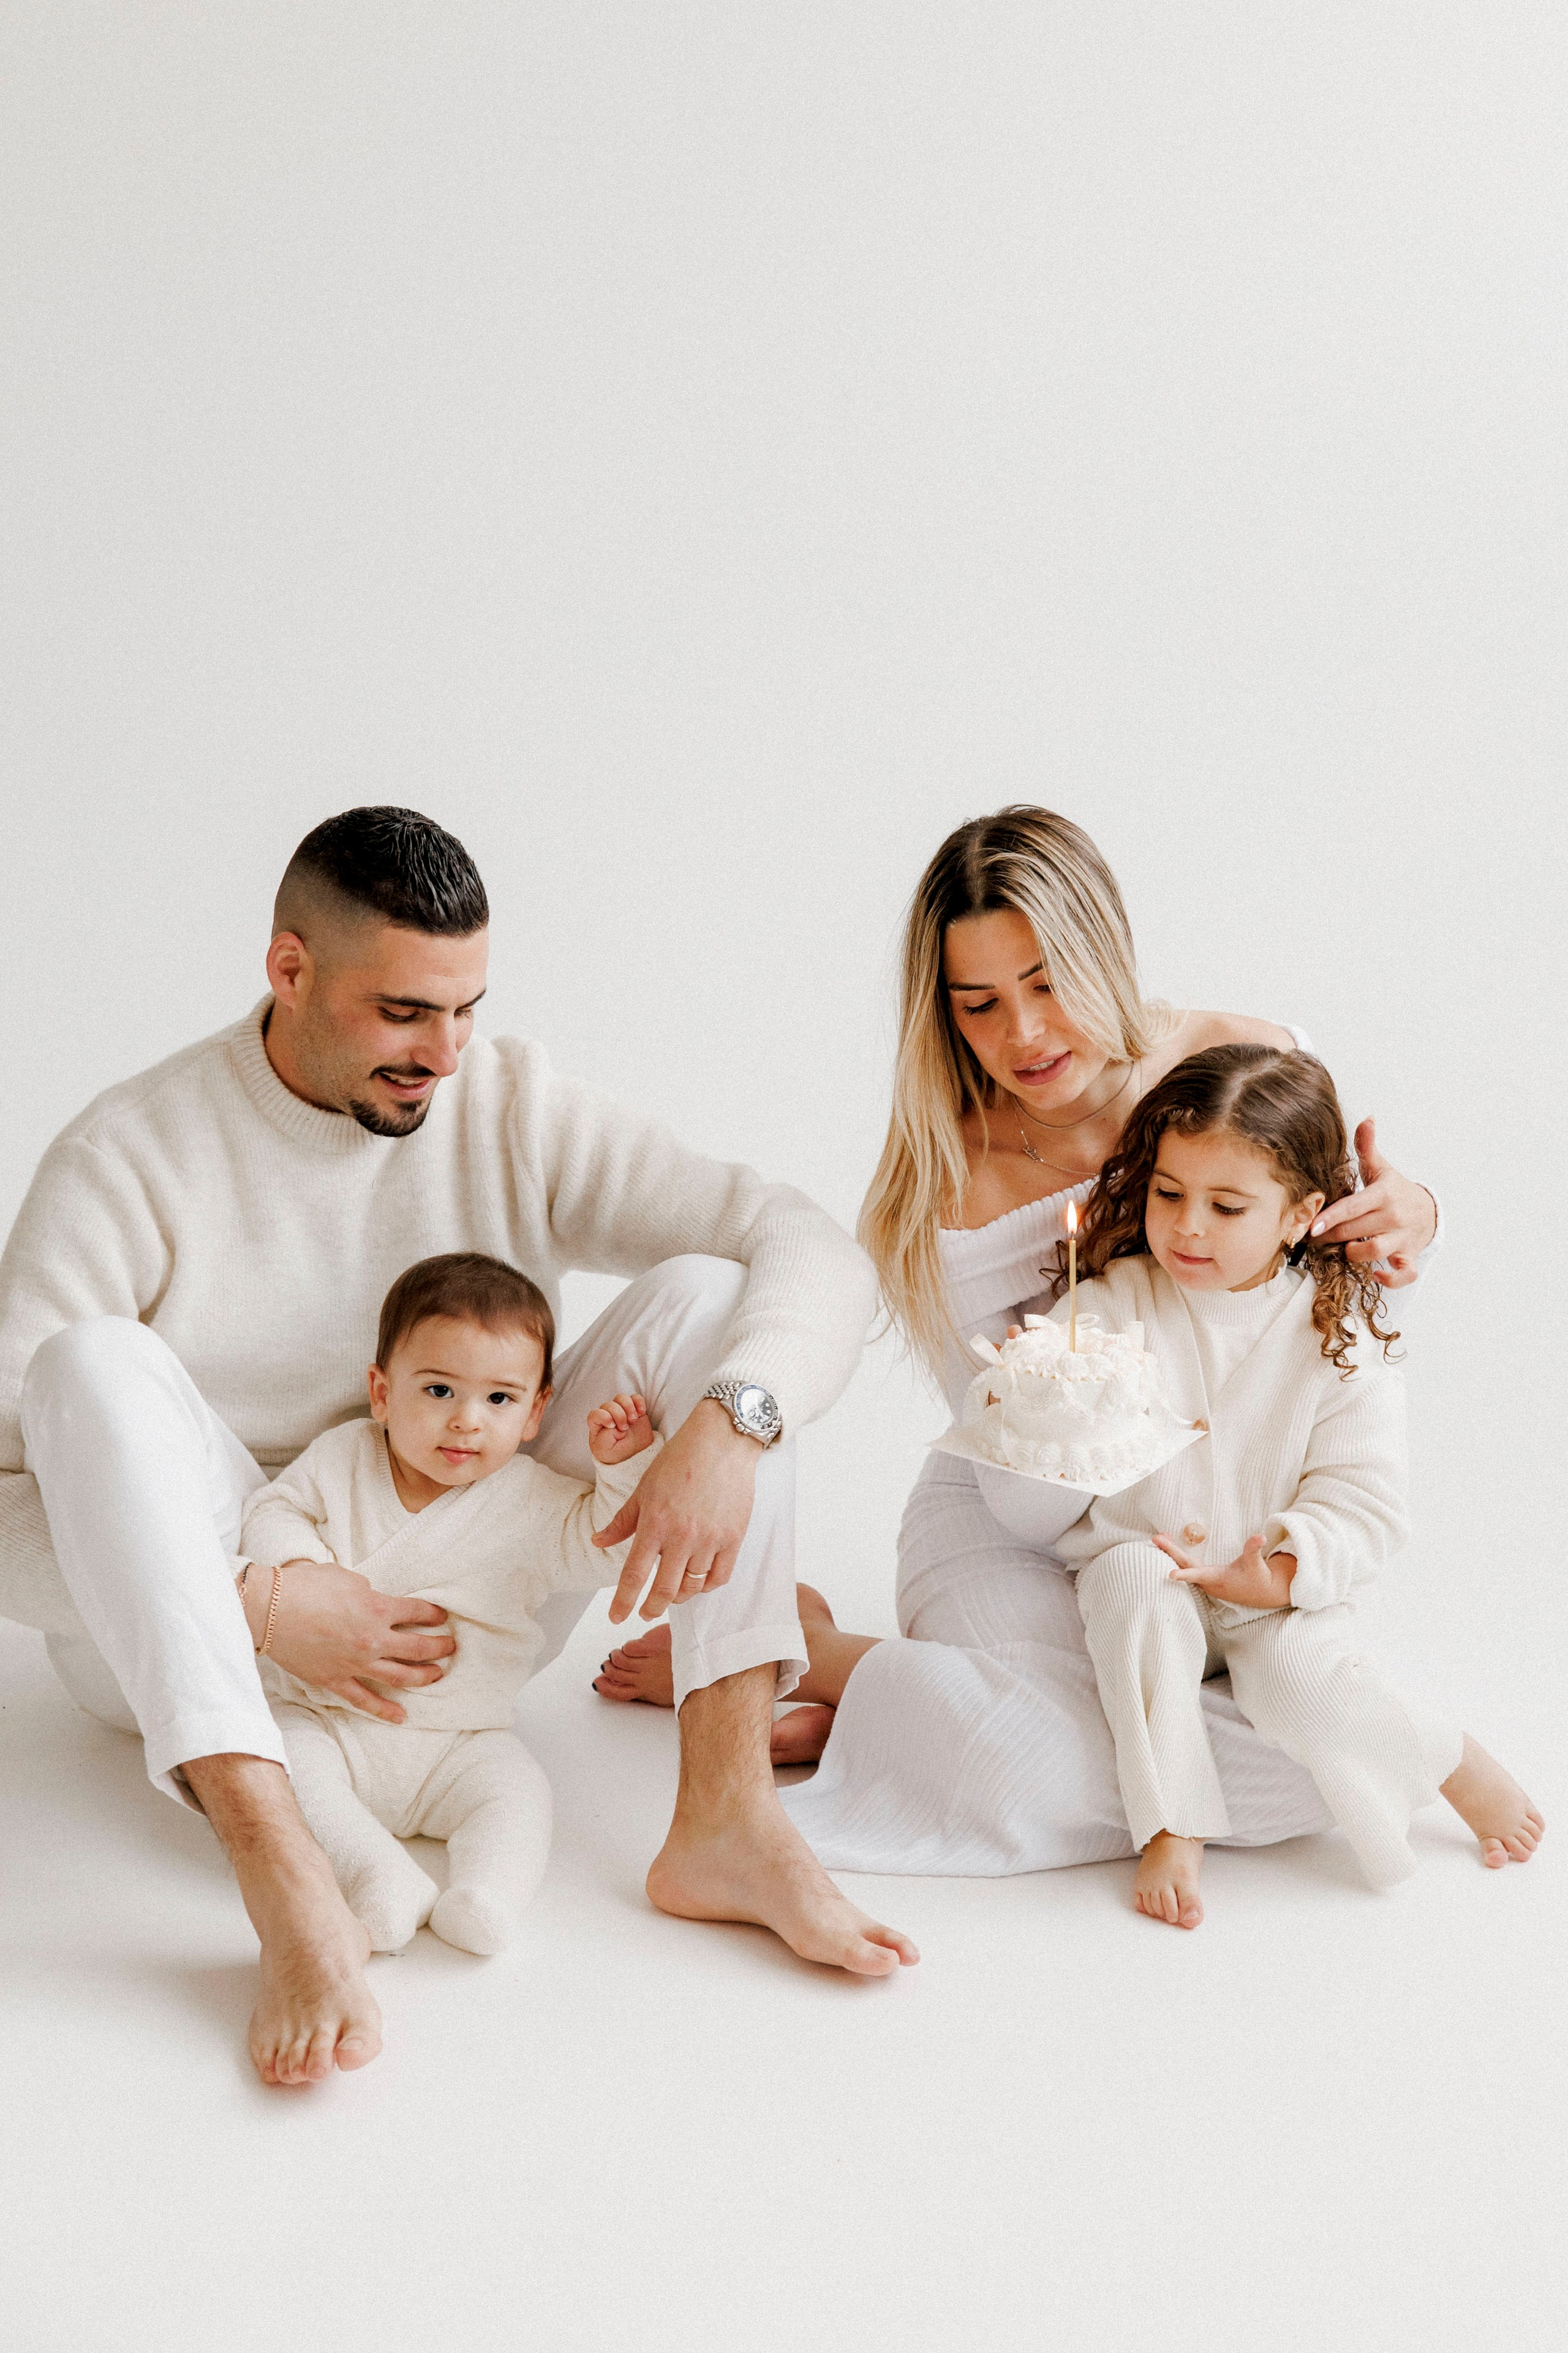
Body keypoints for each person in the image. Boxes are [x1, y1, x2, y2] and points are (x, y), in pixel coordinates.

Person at [0, 806, 914, 2091]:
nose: (442, 1054)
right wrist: (257, 1602)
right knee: (89, 1363)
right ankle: (280, 1871)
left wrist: (734, 1418)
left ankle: (725, 1817)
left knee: (716, 1298)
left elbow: (802, 1239)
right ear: (290, 970)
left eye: (466, 1008)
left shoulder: (503, 1103)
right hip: (213, 1628)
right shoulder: (128, 1155)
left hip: (472, 1588)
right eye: (403, 1014)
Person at [594, 806, 1472, 1879]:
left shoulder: (1240, 1063)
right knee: (1092, 1752)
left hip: (1210, 1505)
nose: (1025, 1036)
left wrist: (1414, 1212)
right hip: (1019, 1521)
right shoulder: (955, 1179)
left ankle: (896, 1706)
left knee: (1291, 1737)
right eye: (980, 1005)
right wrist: (1072, 1401)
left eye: (1048, 982)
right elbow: (1029, 1479)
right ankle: (831, 1659)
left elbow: (1324, 1303)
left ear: (1103, 951)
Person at [1050, 1044, 1539, 1927]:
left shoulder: (1338, 1332)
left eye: (1226, 1205)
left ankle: (1445, 1758)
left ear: (1299, 1214)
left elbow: (1365, 1502)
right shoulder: (1119, 1297)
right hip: (1148, 1559)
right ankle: (1173, 1819)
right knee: (1130, 1586)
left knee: (1311, 1695)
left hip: (1274, 1588)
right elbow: (1046, 1389)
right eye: (1169, 1193)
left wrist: (1274, 1570)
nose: (1188, 1227)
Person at [242, 1251, 662, 1961]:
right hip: (328, 1718)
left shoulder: (532, 1502)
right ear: (381, 1391)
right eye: (438, 1390)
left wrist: (622, 1468)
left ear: (534, 1413)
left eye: (498, 1399)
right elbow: (272, 1509)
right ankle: (377, 1874)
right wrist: (306, 1574)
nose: (466, 1420)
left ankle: (486, 1895)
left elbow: (608, 1551)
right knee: (282, 1773)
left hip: (462, 1739)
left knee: (520, 1794)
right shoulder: (343, 1458)